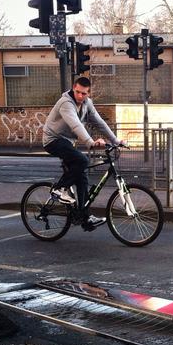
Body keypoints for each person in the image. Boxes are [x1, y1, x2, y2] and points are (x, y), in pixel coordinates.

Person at [42, 76, 124, 231]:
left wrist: (115, 140)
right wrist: (90, 142)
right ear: (73, 88)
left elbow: (99, 122)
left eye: (84, 93)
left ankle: (83, 217)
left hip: (68, 142)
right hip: (53, 140)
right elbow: (75, 125)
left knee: (82, 177)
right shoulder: (65, 103)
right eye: (78, 92)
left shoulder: (87, 103)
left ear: (88, 93)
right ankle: (58, 189)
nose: (80, 96)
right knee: (83, 161)